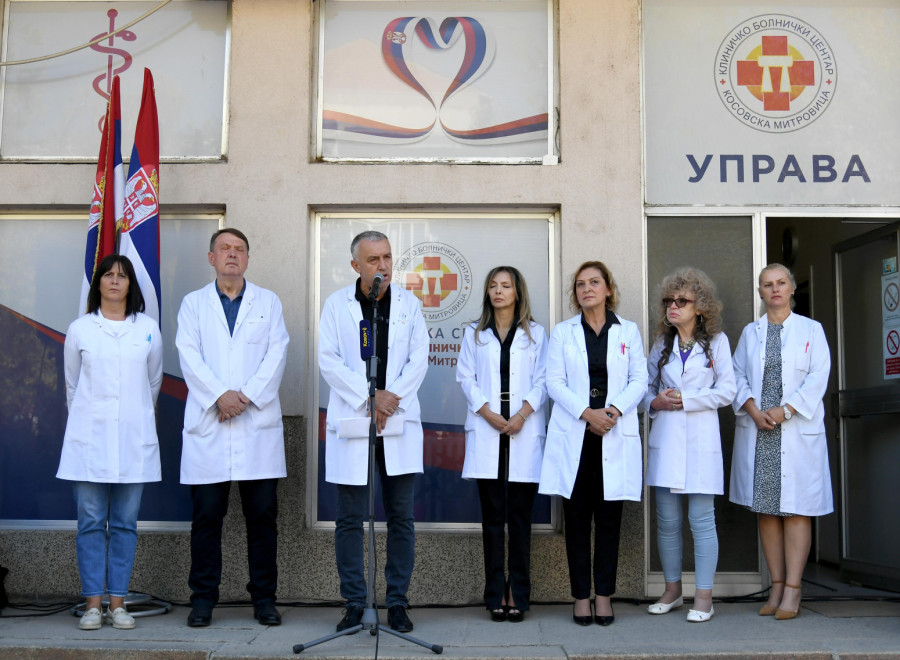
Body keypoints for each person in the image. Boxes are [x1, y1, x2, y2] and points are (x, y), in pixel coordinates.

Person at [176, 228, 289, 627]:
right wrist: (219, 396)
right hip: (210, 424)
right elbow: (188, 355)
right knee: (207, 518)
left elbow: (277, 353)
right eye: (224, 248)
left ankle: (264, 598)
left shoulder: (268, 302)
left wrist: (244, 397)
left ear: (247, 258)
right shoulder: (193, 304)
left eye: (239, 249)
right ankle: (203, 598)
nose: (232, 254)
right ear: (211, 258)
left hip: (256, 425)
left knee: (263, 519)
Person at [318, 230, 428, 634]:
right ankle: (354, 602)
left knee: (401, 518)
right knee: (350, 519)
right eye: (373, 259)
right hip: (355, 421)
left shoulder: (409, 304)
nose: (383, 266)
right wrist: (369, 397)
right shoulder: (337, 305)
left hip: (397, 421)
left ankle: (397, 602)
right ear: (355, 265)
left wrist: (389, 400)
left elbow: (419, 358)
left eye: (387, 257)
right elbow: (328, 360)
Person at [57, 254, 163, 630]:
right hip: (89, 442)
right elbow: (73, 385)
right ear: (98, 283)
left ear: (131, 284)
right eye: (108, 275)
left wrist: (133, 416)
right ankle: (92, 604)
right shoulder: (80, 329)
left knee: (124, 524)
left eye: (122, 275)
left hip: (133, 442)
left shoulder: (147, 328)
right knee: (89, 523)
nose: (115, 281)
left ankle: (118, 604)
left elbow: (153, 383)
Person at [539, 261, 647, 626]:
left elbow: (639, 379)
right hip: (578, 434)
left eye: (595, 282)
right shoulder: (563, 332)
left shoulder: (628, 331)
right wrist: (588, 414)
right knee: (577, 520)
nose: (587, 289)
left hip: (612, 431)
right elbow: (554, 382)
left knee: (609, 520)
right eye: (581, 284)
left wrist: (611, 412)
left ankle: (604, 596)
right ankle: (580, 596)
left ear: (608, 289)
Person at [730, 263, 832, 620]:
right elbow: (736, 375)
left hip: (794, 428)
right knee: (767, 509)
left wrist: (786, 410)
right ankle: (775, 586)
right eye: (767, 284)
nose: (774, 289)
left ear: (791, 289)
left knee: (797, 509)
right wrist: (752, 409)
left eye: (781, 283)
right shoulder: (750, 333)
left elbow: (819, 376)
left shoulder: (811, 330)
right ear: (760, 292)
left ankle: (793, 589)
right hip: (761, 430)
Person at [641, 268, 736, 623]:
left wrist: (687, 399)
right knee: (667, 522)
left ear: (700, 307)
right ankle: (672, 590)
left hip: (700, 444)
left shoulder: (717, 342)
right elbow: (644, 390)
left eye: (682, 300)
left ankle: (704, 596)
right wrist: (656, 402)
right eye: (669, 300)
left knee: (701, 521)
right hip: (666, 441)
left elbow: (728, 391)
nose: (673, 306)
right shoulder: (661, 344)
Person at [456, 266, 548, 623]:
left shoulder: (536, 334)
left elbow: (544, 380)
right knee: (493, 519)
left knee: (520, 519)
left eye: (505, 286)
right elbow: (465, 377)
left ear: (517, 292)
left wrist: (522, 414)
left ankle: (518, 594)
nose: (498, 291)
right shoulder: (474, 333)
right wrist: (488, 413)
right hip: (488, 427)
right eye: (493, 286)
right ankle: (495, 593)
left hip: (523, 427)